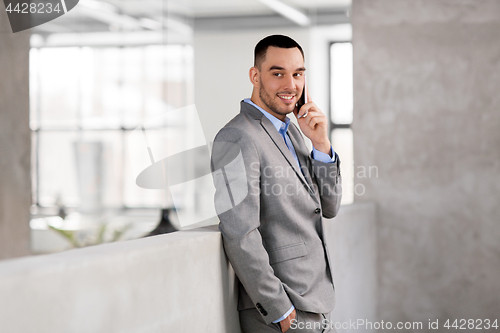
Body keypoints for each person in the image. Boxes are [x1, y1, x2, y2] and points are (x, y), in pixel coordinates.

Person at [210, 35, 342, 333]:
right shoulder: (237, 137)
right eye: (278, 73)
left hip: (316, 300)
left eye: (298, 74)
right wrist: (279, 309)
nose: (291, 85)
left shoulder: (295, 133)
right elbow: (239, 231)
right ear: (255, 76)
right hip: (283, 309)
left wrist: (320, 143)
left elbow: (329, 206)